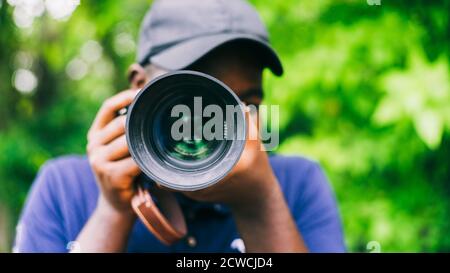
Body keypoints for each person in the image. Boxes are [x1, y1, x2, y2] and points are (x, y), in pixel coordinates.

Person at [14, 0, 345, 253]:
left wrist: (258, 201)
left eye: (246, 105)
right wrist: (114, 209)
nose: (216, 125)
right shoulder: (64, 187)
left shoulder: (296, 184)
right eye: (192, 99)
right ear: (138, 87)